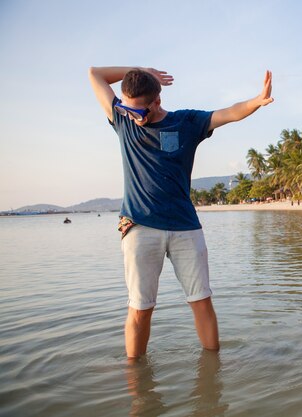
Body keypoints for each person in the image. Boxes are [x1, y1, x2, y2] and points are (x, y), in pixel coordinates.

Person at [88, 66, 273, 358]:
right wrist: (141, 71)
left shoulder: (186, 122)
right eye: (127, 109)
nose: (132, 117)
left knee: (201, 302)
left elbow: (229, 112)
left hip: (185, 227)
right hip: (140, 226)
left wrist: (256, 101)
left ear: (157, 101)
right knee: (140, 309)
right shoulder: (122, 119)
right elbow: (94, 74)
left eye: (139, 112)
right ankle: (138, 389)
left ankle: (213, 378)